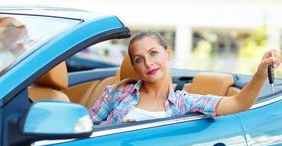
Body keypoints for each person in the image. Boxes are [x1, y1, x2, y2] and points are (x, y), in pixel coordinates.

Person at [89, 31, 282, 125]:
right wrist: (115, 127)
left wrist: (260, 74)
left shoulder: (184, 103)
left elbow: (239, 103)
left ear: (168, 53)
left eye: (154, 53)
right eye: (139, 59)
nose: (148, 63)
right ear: (135, 67)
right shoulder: (115, 93)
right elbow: (83, 130)